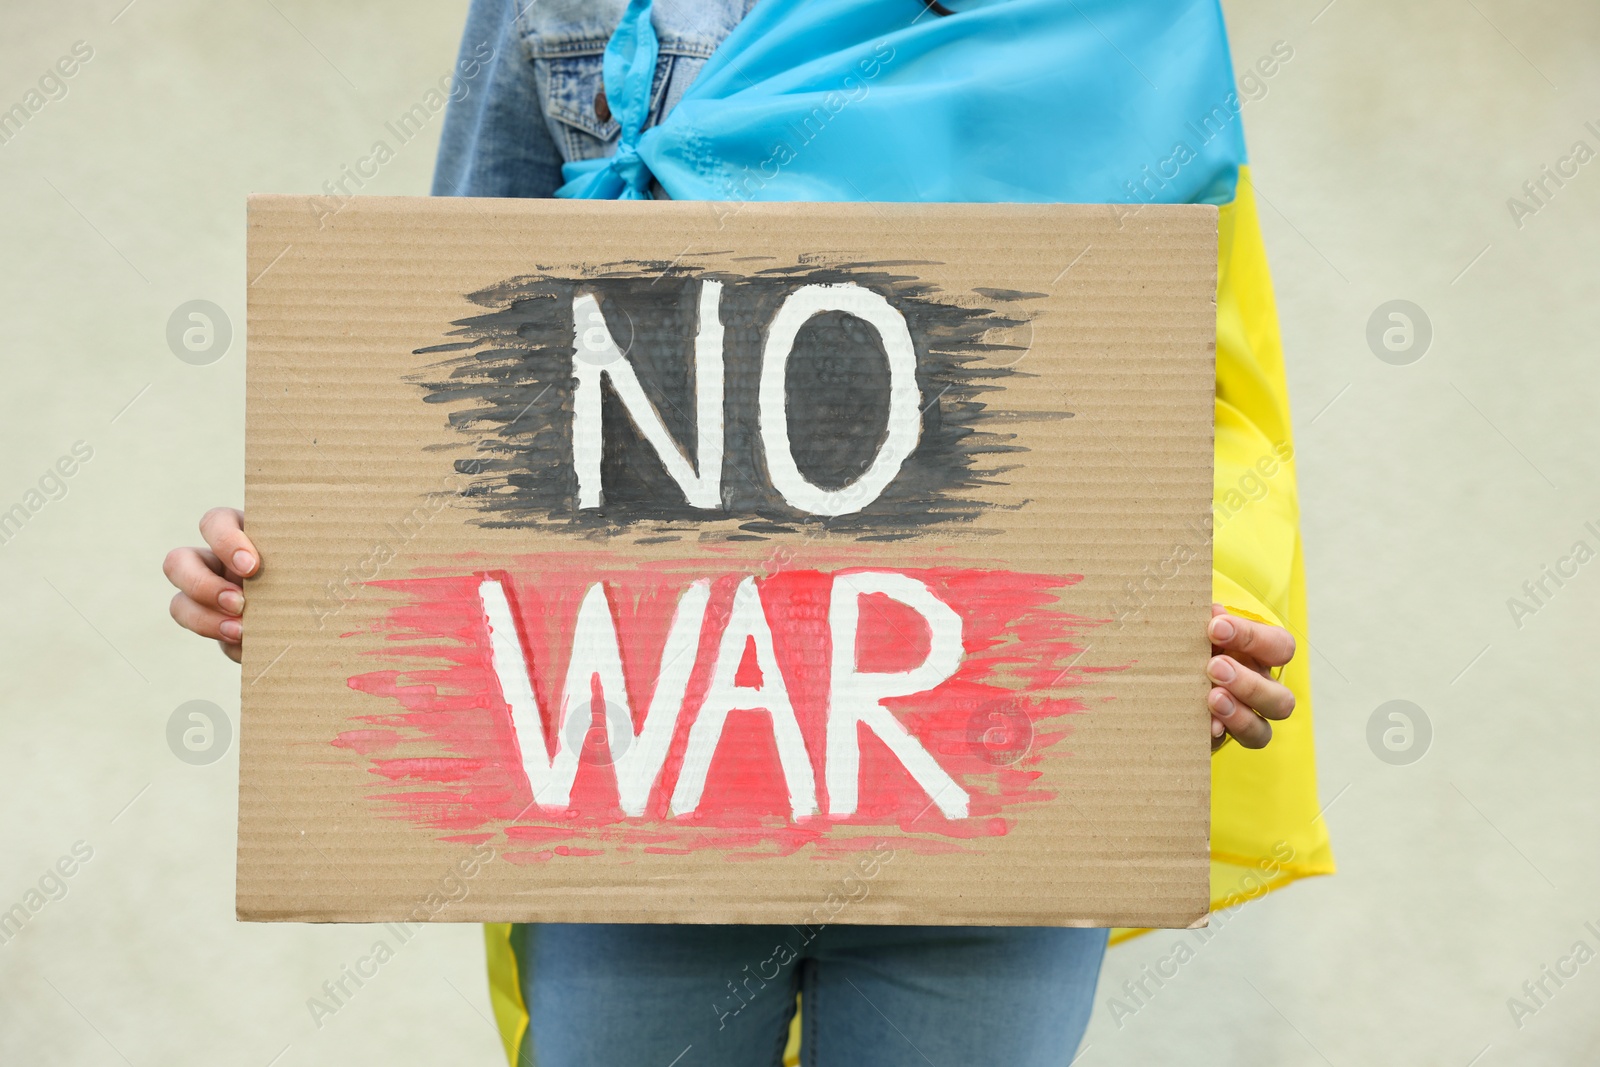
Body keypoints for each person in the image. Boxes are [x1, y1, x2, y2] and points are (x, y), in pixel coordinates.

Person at [164, 1, 1321, 1063]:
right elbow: (464, 323)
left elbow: (1184, 360)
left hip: (977, 750)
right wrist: (324, 563)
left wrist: (1198, 604)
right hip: (638, 764)